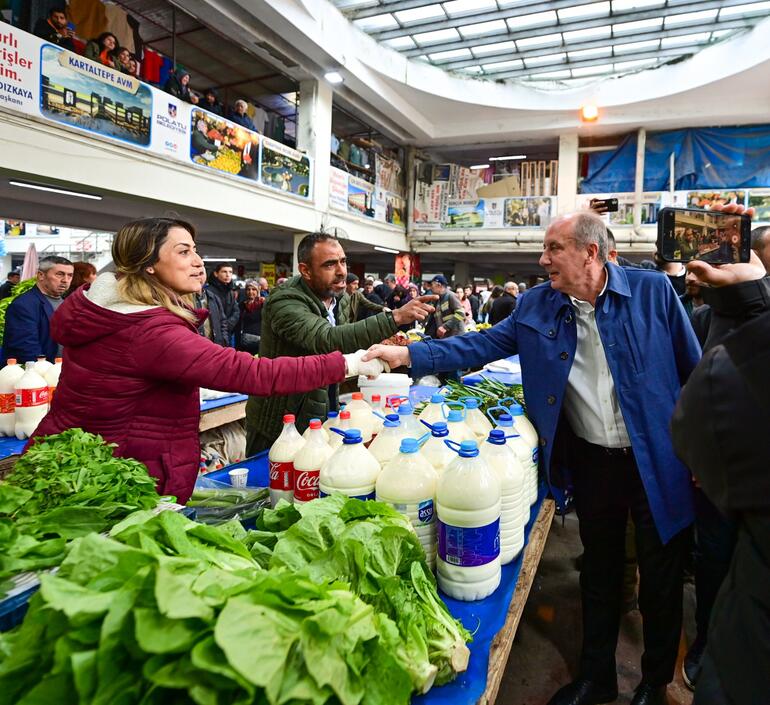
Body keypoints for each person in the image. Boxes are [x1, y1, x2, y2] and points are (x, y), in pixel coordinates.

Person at [364, 211, 702, 705]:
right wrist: (409, 357)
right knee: (600, 572)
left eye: (553, 248)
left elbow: (693, 374)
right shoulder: (536, 307)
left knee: (661, 578)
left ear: (590, 252)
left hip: (657, 461)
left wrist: (698, 455)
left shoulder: (652, 292)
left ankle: (654, 683)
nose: (542, 259)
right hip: (593, 462)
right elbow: (477, 345)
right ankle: (596, 678)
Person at [31, 218, 381, 503]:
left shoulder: (110, 309)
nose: (199, 261)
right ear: (149, 266)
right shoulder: (146, 330)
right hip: (117, 480)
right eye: (183, 252)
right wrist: (348, 364)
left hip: (88, 465)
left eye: (195, 250)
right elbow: (252, 373)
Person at [670, 235, 769, 705]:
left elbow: (706, 404)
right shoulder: (707, 315)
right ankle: (704, 640)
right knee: (716, 561)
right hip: (714, 482)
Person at [245, 231, 435, 454]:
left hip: (321, 408)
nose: (342, 271)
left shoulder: (339, 298)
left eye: (343, 262)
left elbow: (342, 343)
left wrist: (376, 350)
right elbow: (325, 339)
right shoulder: (285, 301)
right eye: (330, 265)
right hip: (280, 421)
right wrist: (395, 318)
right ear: (305, 270)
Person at [2, 256, 73, 363]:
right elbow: (26, 348)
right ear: (41, 275)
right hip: (41, 374)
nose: (65, 280)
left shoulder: (66, 303)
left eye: (70, 275)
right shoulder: (24, 304)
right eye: (59, 274)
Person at [205, 263, 240, 342]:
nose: (228, 275)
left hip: (227, 332)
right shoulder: (209, 291)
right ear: (216, 274)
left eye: (230, 272)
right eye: (224, 272)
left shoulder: (230, 292)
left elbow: (236, 311)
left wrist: (227, 325)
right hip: (214, 332)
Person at [193, 271, 229, 347]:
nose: (198, 278)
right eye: (194, 275)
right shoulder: (184, 300)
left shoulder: (212, 297)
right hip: (197, 346)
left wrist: (224, 340)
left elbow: (222, 321)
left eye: (201, 274)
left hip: (215, 344)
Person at [423, 275, 465, 339]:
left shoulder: (451, 296)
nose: (431, 287)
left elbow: (460, 313)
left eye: (432, 285)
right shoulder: (437, 299)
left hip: (455, 336)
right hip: (446, 337)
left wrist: (445, 327)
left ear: (439, 285)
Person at [235, 279, 264, 355]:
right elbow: (238, 323)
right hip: (244, 343)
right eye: (248, 289)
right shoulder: (242, 305)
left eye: (254, 289)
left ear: (258, 290)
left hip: (260, 342)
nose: (251, 292)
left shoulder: (263, 304)